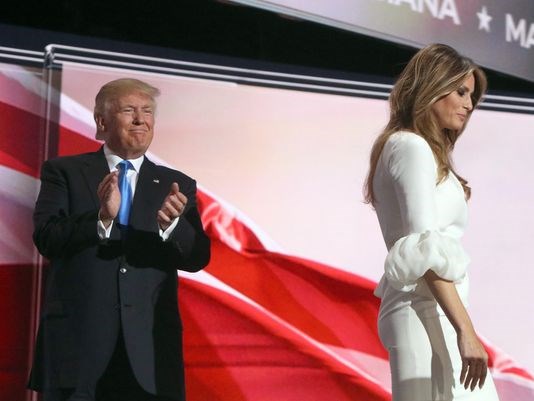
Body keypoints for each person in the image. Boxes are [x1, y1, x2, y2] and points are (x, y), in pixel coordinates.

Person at [29, 78, 211, 401]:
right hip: (78, 351)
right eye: (129, 110)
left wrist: (172, 226)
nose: (141, 119)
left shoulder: (176, 184)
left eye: (147, 111)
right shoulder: (64, 172)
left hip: (149, 357)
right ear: (102, 122)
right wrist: (101, 218)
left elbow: (197, 256)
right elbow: (47, 237)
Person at [364, 44, 500, 400]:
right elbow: (423, 245)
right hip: (422, 310)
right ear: (431, 86)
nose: (469, 104)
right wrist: (466, 330)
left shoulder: (407, 146)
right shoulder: (410, 146)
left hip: (431, 309)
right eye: (461, 92)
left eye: (472, 95)